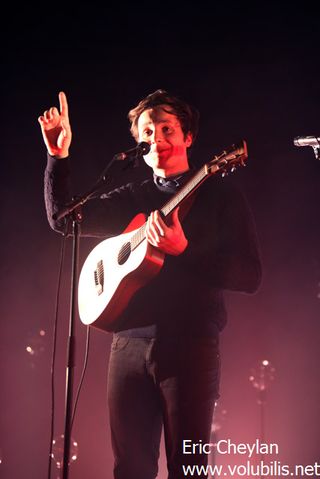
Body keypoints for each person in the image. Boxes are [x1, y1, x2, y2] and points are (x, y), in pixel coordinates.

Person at [39, 89, 262, 479]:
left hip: (190, 348)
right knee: (130, 469)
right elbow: (64, 219)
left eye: (167, 129)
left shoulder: (221, 193)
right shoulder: (134, 196)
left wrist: (184, 249)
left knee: (188, 469)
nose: (157, 138)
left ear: (188, 137)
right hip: (126, 347)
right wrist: (58, 158)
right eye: (148, 131)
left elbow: (250, 276)